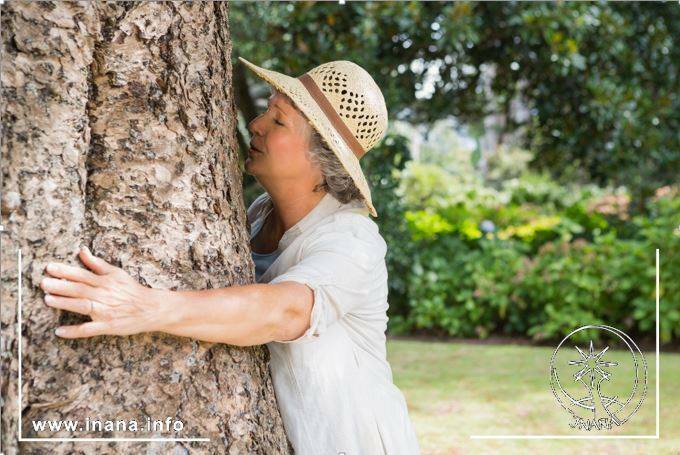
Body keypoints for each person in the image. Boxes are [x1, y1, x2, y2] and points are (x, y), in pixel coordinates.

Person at [40, 57, 421, 454]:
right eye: (266, 112)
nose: (255, 124)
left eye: (278, 121)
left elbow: (284, 312)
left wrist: (146, 306)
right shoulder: (260, 213)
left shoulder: (351, 240)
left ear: (321, 159)